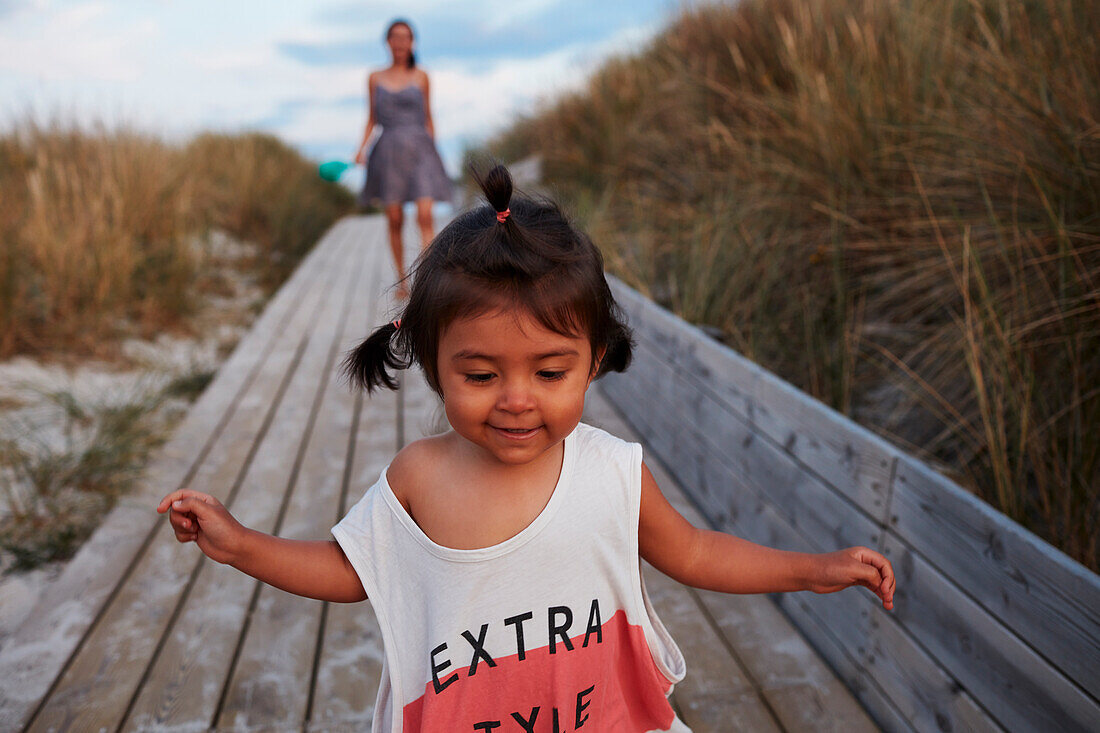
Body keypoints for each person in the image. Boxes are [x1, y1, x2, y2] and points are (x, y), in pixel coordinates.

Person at [157, 164, 895, 732]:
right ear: (429, 357)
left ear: (595, 358)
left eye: (550, 371)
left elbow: (696, 553)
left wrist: (811, 569)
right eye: (480, 373)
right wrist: (240, 544)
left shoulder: (610, 472)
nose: (516, 397)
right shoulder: (421, 475)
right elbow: (353, 572)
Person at [355, 18, 451, 298]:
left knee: (425, 215)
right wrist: (361, 149)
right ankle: (402, 280)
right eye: (395, 37)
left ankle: (427, 277)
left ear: (412, 42)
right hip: (388, 151)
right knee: (394, 218)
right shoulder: (374, 77)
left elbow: (429, 117)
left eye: (405, 37)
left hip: (420, 148)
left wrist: (434, 151)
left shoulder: (422, 76)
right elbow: (371, 118)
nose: (400, 42)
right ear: (388, 42)